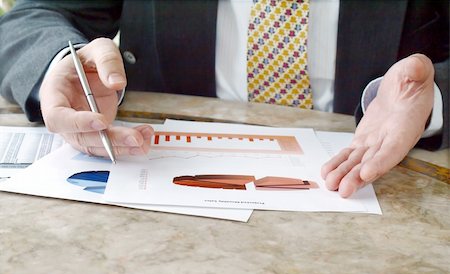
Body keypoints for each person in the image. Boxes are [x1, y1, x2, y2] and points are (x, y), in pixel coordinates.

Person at [0, 0, 448, 198]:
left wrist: (435, 98)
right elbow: (34, 16)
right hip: (162, 182)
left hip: (374, 189)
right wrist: (60, 62)